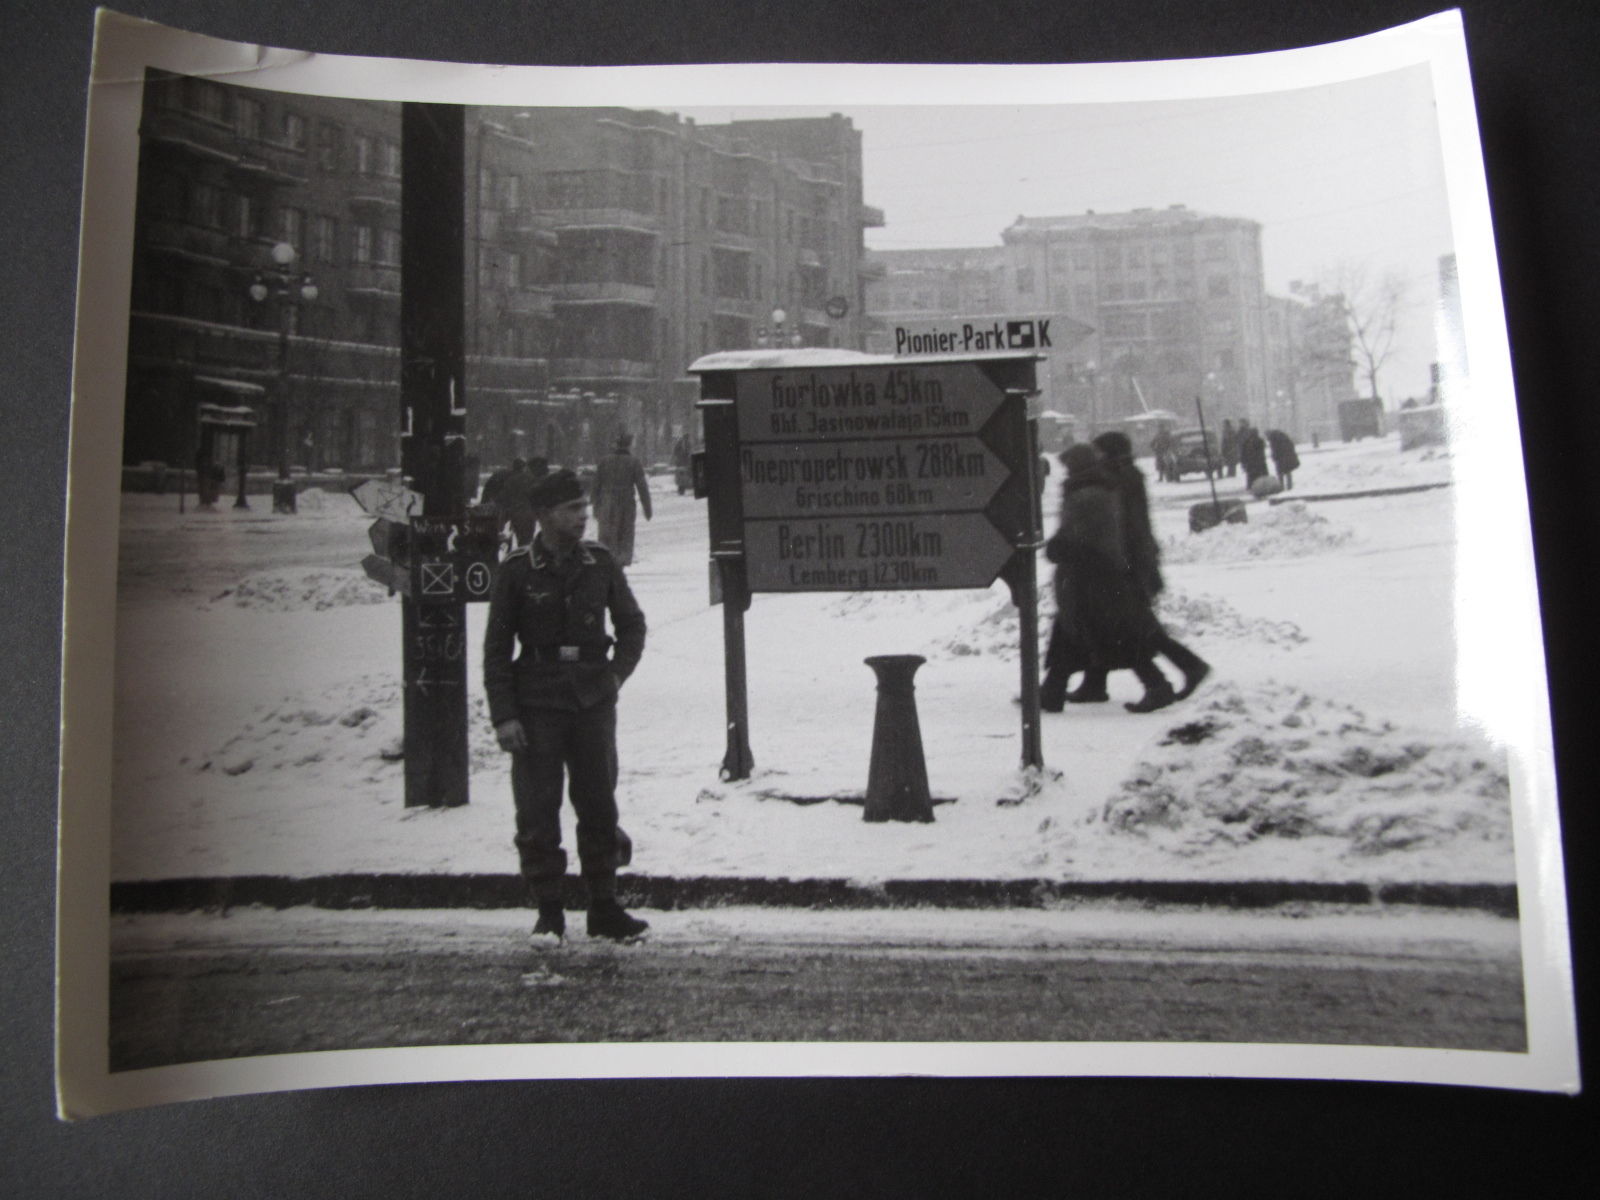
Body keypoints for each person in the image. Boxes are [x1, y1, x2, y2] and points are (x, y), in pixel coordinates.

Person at [483, 468, 650, 945]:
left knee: (598, 803)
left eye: (583, 507)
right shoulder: (517, 571)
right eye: (572, 509)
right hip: (536, 703)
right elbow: (497, 650)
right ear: (542, 516)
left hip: (592, 702)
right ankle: (549, 911)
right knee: (537, 809)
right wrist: (505, 715)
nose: (583, 517)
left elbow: (632, 627)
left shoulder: (600, 563)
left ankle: (604, 907)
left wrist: (614, 676)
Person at [1040, 444, 1175, 714]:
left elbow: (1078, 536)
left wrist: (1058, 547)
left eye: (1069, 465)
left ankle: (1157, 686)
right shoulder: (1095, 489)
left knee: (1109, 634)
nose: (1066, 470)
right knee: (1079, 632)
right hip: (1092, 576)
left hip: (1091, 578)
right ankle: (1053, 692)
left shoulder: (1087, 494)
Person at [1081, 431, 1211, 702]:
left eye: (1098, 452)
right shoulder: (1123, 474)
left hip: (1128, 563)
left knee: (1134, 627)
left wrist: (1125, 563)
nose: (1095, 457)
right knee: (1129, 625)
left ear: (1109, 453)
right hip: (1131, 560)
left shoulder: (1121, 477)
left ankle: (1177, 674)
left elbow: (1128, 525)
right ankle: (1096, 682)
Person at [592, 432, 653, 566]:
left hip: (606, 503)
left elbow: (596, 486)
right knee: (624, 534)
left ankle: (606, 561)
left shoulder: (604, 461)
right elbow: (642, 487)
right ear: (629, 445)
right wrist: (647, 509)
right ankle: (620, 563)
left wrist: (595, 506)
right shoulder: (634, 462)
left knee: (606, 535)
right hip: (626, 504)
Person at [1238, 421, 1269, 488]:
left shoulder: (1246, 442)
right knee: (1260, 477)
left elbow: (1243, 453)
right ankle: (1261, 487)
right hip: (1259, 463)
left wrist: (1243, 462)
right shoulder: (1260, 441)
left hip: (1251, 464)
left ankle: (1252, 487)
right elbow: (1261, 452)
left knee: (1251, 477)